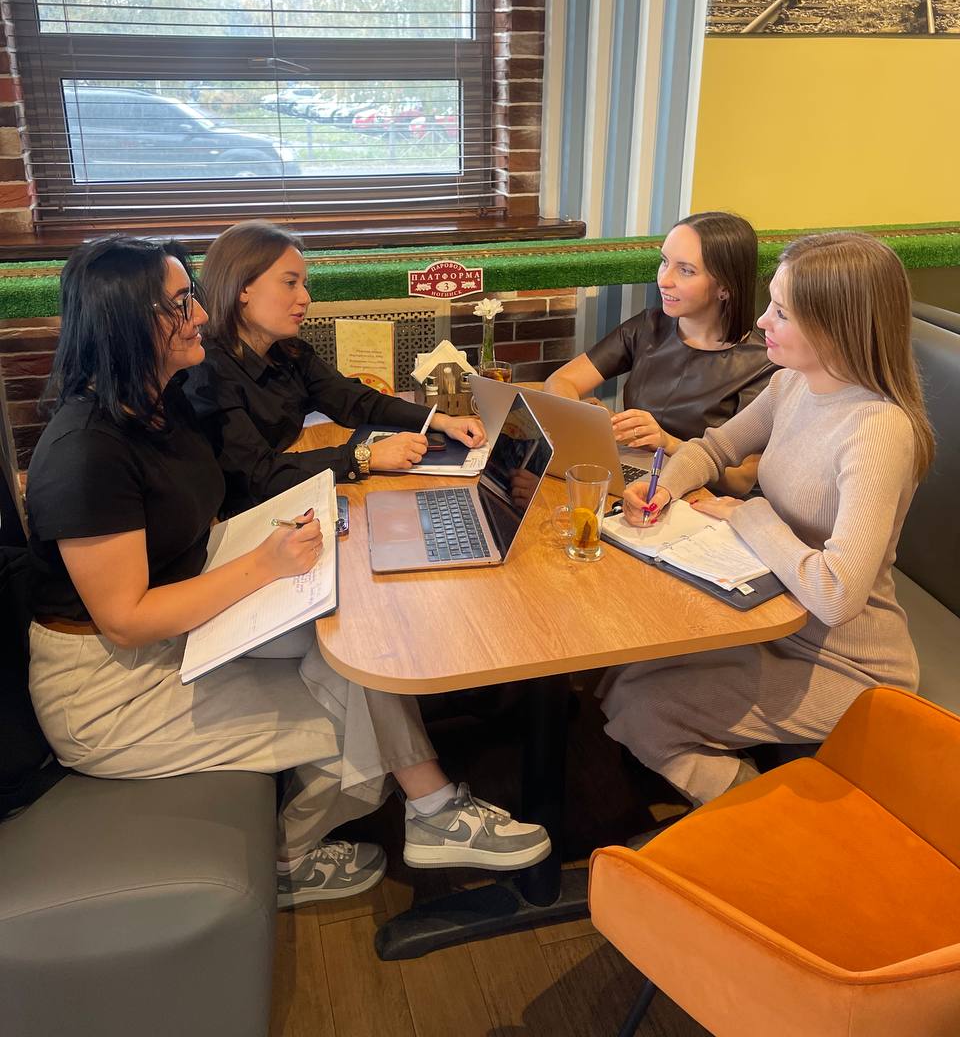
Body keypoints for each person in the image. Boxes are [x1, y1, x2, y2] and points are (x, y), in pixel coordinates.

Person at [26, 237, 550, 908]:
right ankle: (293, 857)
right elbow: (125, 621)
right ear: (127, 319)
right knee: (355, 730)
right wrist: (264, 563)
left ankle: (431, 811)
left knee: (356, 644)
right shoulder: (85, 452)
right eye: (181, 304)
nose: (200, 315)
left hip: (175, 635)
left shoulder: (160, 403)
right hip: (108, 693)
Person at [598, 231, 934, 807]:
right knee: (619, 674)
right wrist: (661, 489)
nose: (760, 321)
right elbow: (713, 449)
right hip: (770, 616)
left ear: (835, 325)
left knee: (642, 708)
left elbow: (836, 596)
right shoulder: (793, 383)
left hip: (848, 661)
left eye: (781, 311)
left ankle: (774, 825)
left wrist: (748, 515)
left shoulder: (877, 429)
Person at [182, 221, 486, 517]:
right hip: (248, 520)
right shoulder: (208, 373)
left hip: (288, 501)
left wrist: (441, 421)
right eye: (290, 283)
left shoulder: (287, 352)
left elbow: (355, 400)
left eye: (304, 285)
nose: (305, 298)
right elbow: (259, 475)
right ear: (242, 288)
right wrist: (365, 456)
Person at [545, 211, 774, 494]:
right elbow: (560, 381)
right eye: (664, 261)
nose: (664, 280)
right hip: (636, 481)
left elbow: (741, 481)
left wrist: (667, 443)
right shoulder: (648, 326)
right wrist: (590, 419)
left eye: (685, 270)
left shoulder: (762, 365)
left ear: (725, 287)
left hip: (698, 500)